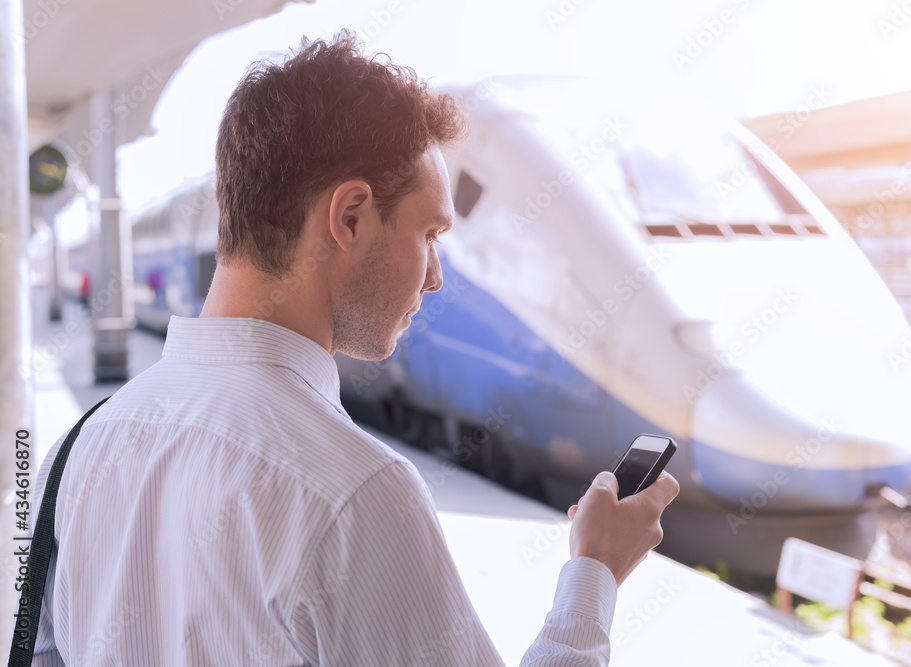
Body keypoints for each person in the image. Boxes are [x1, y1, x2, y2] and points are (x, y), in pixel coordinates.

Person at [30, 30, 679, 665]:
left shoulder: (74, 453)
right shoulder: (355, 494)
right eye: (428, 233)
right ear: (349, 217)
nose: (435, 275)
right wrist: (591, 578)